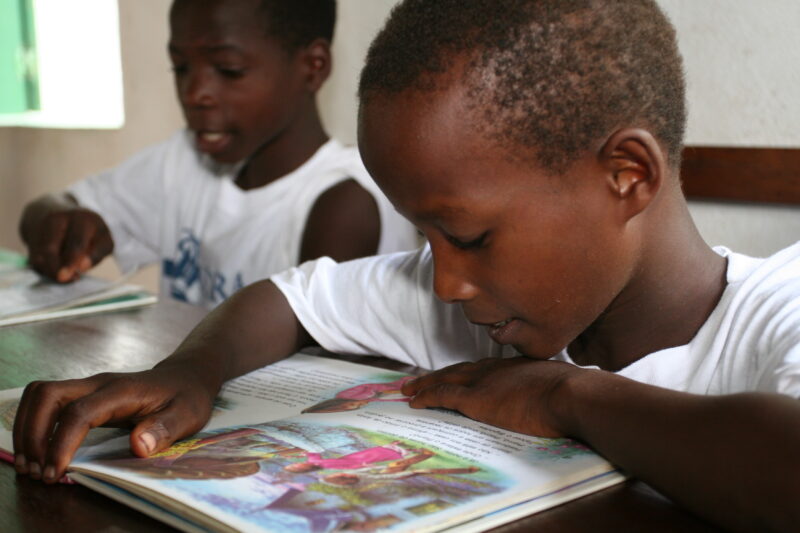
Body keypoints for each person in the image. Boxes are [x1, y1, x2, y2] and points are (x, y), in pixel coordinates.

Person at [12, 1, 800, 531]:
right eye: (428, 236)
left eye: (471, 237)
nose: (445, 281)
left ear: (627, 175)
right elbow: (285, 297)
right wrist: (194, 367)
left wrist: (566, 395)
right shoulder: (468, 299)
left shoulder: (777, 310)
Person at [17, 0, 416, 308]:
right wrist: (59, 220)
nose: (195, 94)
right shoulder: (183, 162)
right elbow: (50, 205)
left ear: (312, 67)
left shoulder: (343, 201)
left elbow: (305, 367)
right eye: (180, 67)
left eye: (228, 70)